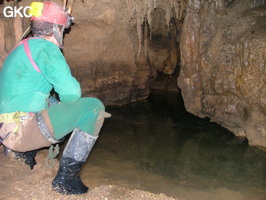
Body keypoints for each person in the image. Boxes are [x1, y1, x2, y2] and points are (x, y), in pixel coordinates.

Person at [0, 0, 110, 195]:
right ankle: (66, 180)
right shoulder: (46, 49)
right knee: (93, 107)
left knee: (52, 102)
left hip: (7, 127)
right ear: (57, 29)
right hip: (19, 131)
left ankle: (22, 153)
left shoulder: (22, 47)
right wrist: (68, 111)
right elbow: (72, 93)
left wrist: (59, 108)